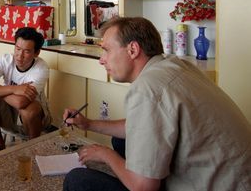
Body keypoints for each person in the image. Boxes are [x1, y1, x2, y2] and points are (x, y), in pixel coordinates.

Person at [63, 17, 251, 191]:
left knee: (77, 181)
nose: (101, 60)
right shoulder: (175, 64)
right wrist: (88, 124)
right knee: (121, 140)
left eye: (106, 50)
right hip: (238, 177)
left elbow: (143, 187)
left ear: (133, 50)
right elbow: (142, 126)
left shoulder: (148, 89)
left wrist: (106, 155)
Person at [0, 27, 52, 155]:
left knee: (30, 110)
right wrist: (15, 88)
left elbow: (21, 103)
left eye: (27, 51)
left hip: (37, 118)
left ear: (36, 53)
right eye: (17, 49)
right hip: (10, 112)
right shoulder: (5, 60)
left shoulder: (41, 68)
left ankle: (33, 148)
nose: (19, 55)